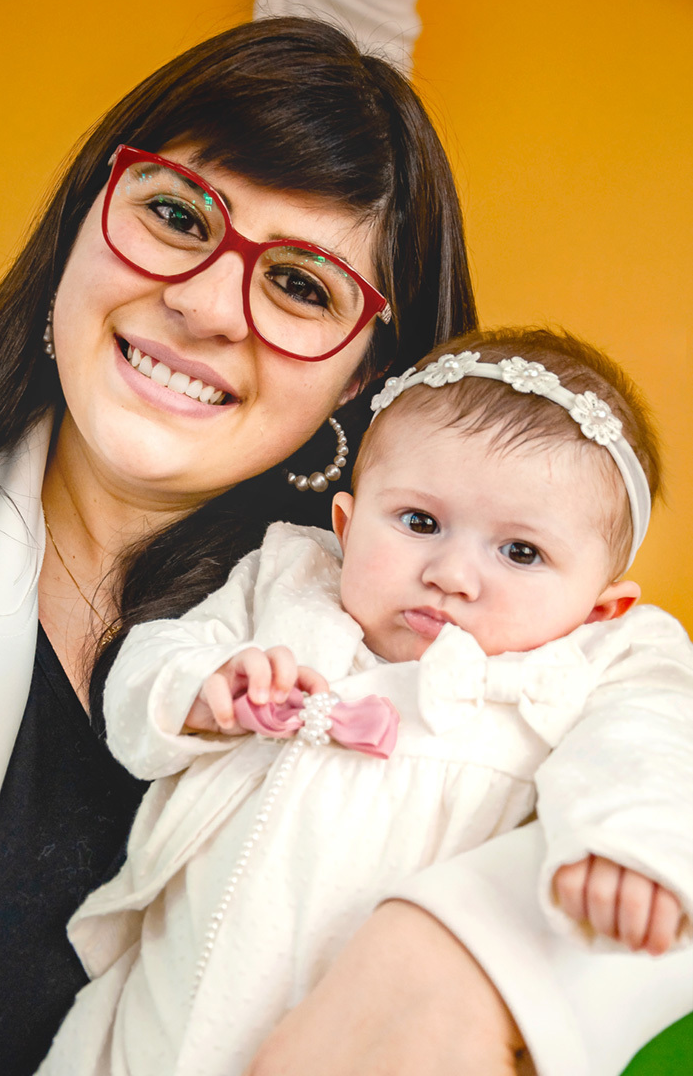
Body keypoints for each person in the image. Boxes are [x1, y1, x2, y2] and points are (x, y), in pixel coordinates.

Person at [0, 15, 689, 1076]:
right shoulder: (264, 615)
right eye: (176, 216)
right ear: (82, 221)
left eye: (301, 285)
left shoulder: (465, 625)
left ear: (361, 379)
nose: (203, 307)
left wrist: (462, 951)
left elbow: (651, 763)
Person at [34, 327, 693, 1076]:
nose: (450, 573)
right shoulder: (285, 582)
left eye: (519, 552)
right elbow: (146, 666)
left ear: (599, 607)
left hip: (384, 1033)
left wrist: (627, 848)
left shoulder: (600, 661)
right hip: (159, 1014)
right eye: (419, 523)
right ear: (345, 526)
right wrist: (203, 686)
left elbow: (652, 749)